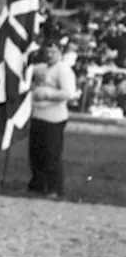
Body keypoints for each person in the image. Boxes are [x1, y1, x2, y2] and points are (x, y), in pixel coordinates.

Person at [28, 41, 78, 199]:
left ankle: (55, 187)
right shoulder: (42, 68)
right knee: (36, 152)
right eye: (47, 52)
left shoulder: (63, 70)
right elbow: (28, 71)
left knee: (51, 153)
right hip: (38, 114)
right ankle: (38, 184)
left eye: (53, 52)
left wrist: (48, 94)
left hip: (54, 117)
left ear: (60, 53)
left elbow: (68, 93)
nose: (50, 55)